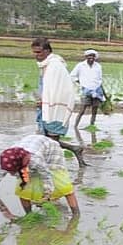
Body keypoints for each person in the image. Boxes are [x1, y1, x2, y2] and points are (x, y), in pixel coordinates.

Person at [0, 134, 80, 220]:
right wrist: (4, 211)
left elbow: (47, 176)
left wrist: (46, 195)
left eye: (14, 172)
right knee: (23, 189)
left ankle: (76, 215)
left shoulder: (35, 160)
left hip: (51, 149)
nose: (12, 175)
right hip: (29, 147)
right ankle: (29, 215)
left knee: (63, 185)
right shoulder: (4, 164)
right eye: (11, 172)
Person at [31, 37, 85, 166]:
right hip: (47, 105)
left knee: (51, 140)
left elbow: (59, 89)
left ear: (47, 51)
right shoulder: (46, 65)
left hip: (55, 106)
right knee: (47, 139)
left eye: (39, 52)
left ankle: (54, 165)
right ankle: (73, 150)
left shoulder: (55, 65)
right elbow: (48, 87)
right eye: (34, 52)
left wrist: (45, 101)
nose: (36, 55)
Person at [70, 49, 105, 127]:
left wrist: (103, 92)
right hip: (85, 91)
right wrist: (80, 83)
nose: (91, 58)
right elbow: (72, 75)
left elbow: (99, 79)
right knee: (82, 110)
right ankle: (75, 126)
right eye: (89, 57)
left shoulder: (98, 66)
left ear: (95, 57)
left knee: (94, 110)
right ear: (86, 57)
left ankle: (92, 125)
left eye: (93, 57)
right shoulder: (80, 65)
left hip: (97, 90)